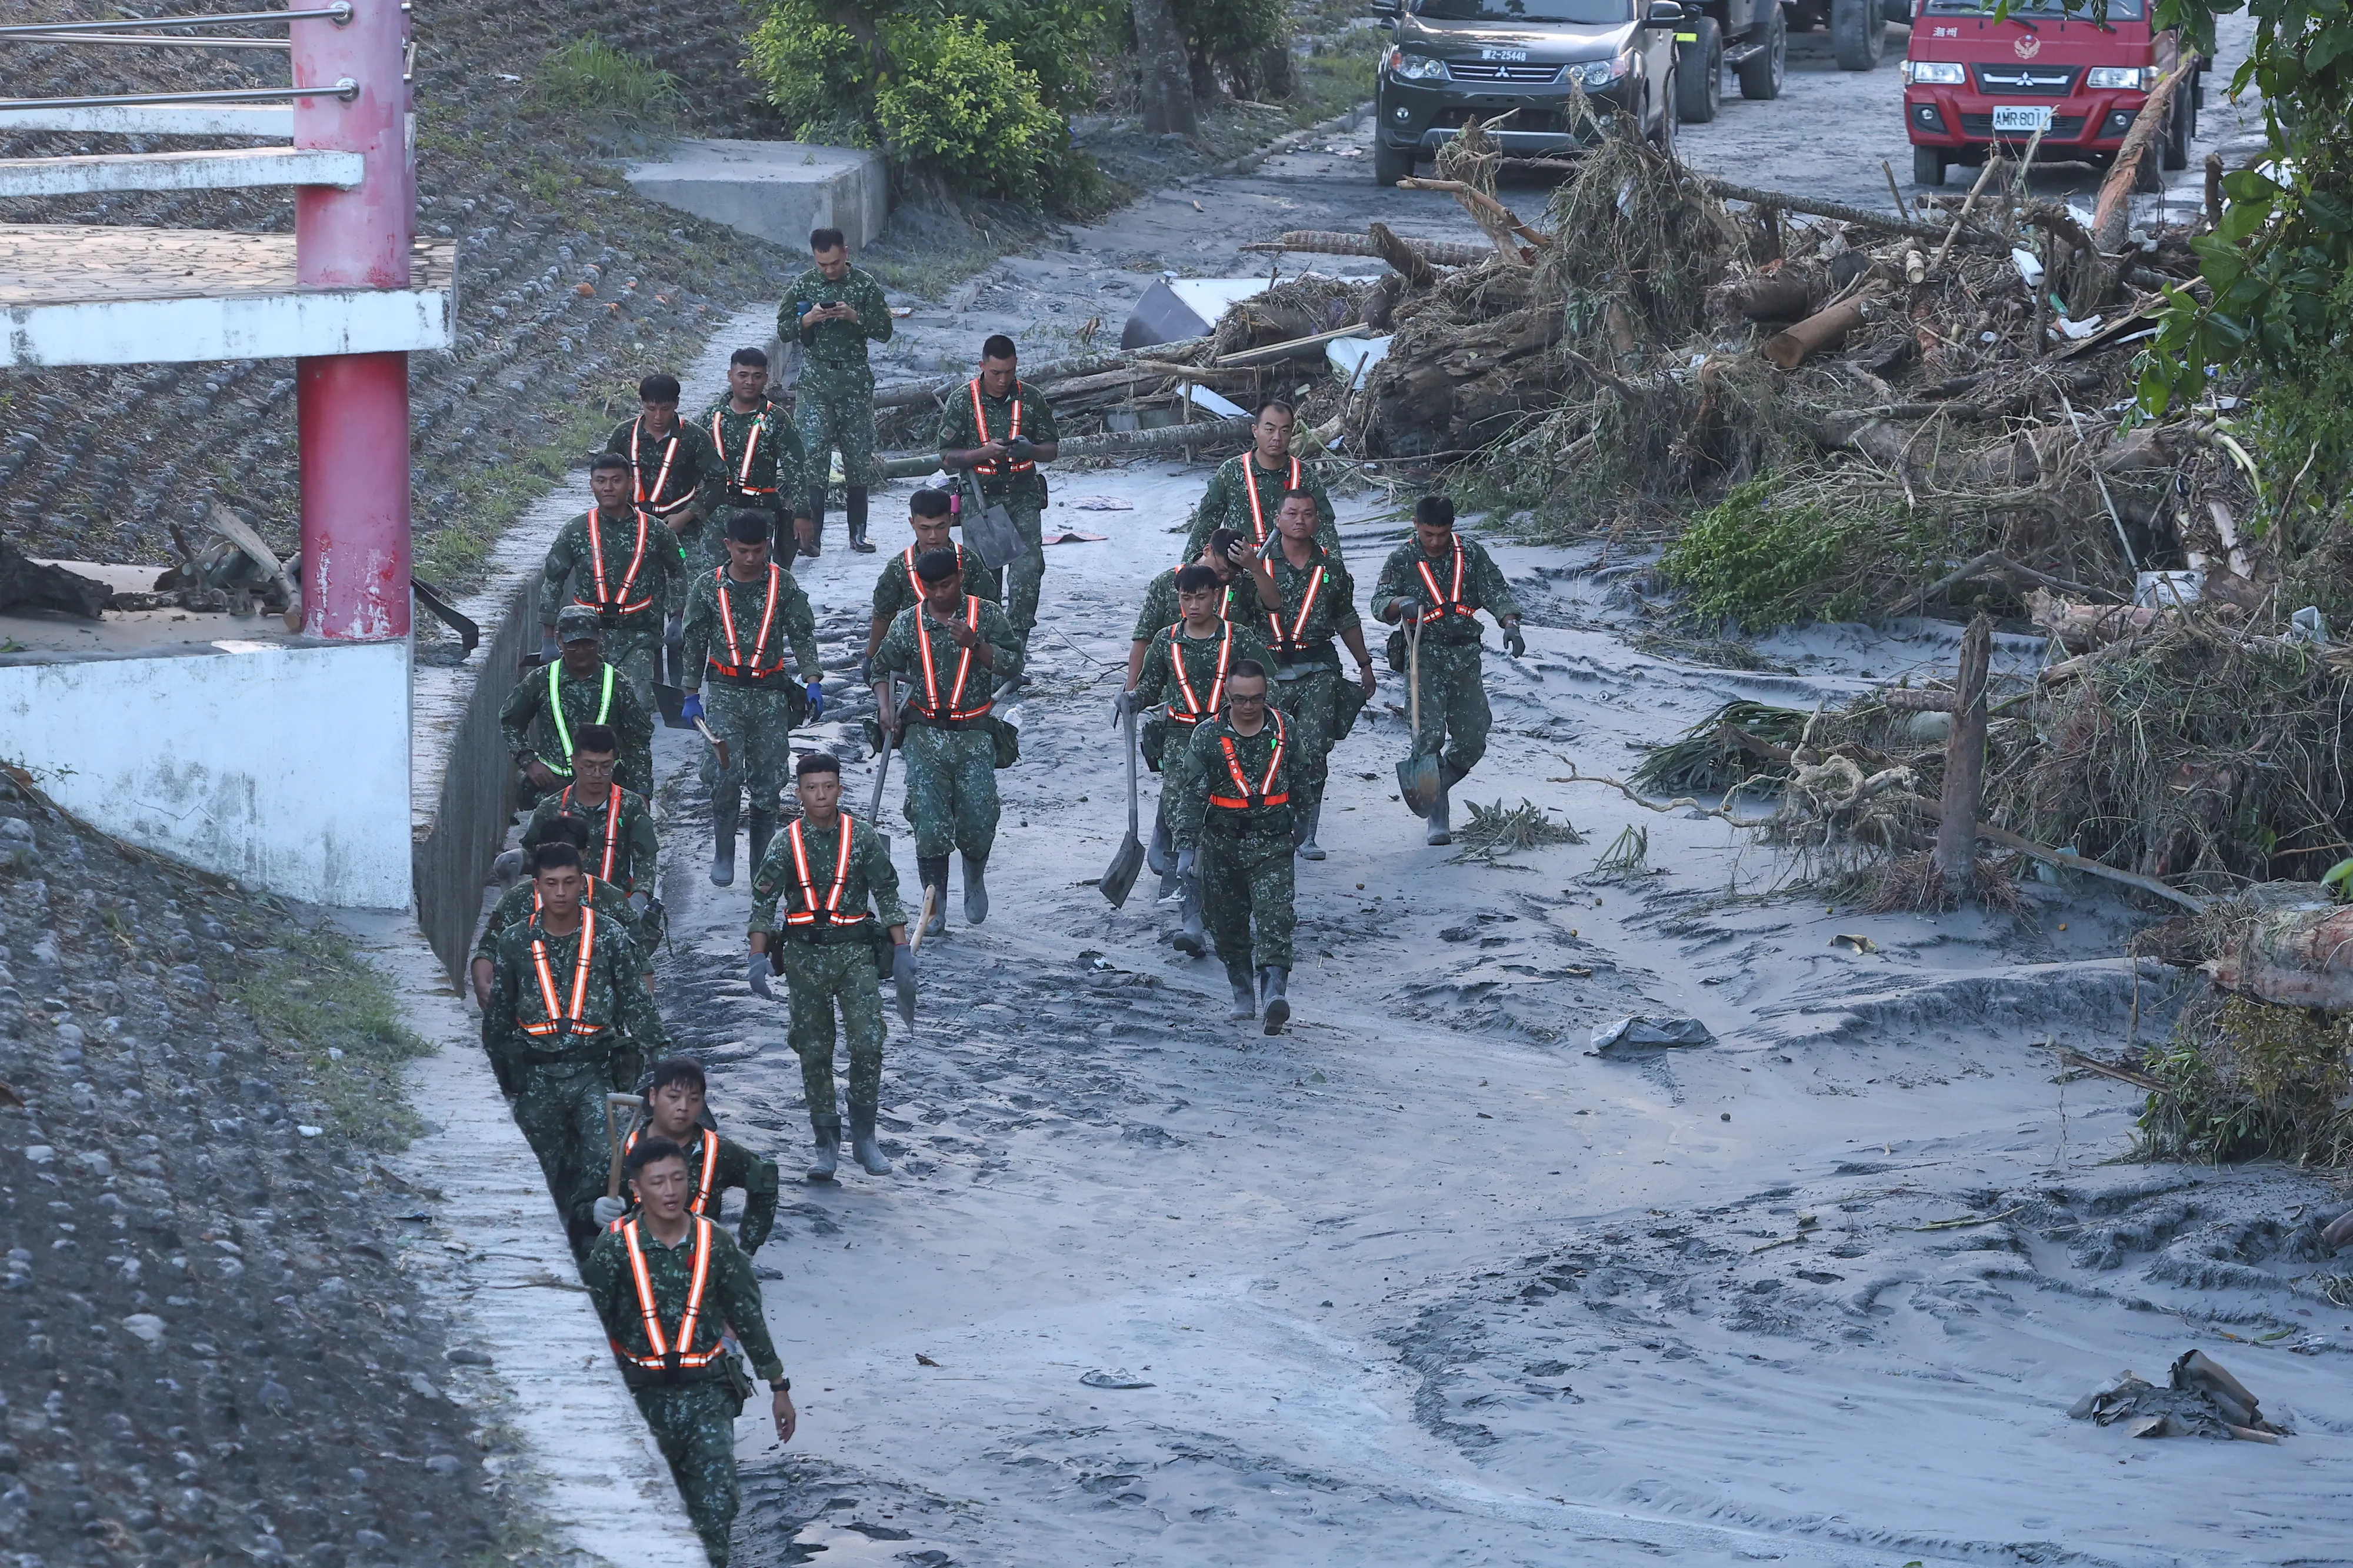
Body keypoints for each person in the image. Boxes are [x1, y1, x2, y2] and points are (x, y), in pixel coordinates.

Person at [582, 1135, 794, 1566]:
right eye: (657, 1182)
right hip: (639, 1397)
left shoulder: (715, 1243)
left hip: (708, 1396)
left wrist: (778, 1385)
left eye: (678, 1178)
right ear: (637, 1191)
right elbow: (589, 1325)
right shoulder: (615, 1247)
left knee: (715, 1509)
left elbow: (748, 1316)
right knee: (640, 1510)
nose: (671, 1191)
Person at [484, 841, 672, 1255]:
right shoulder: (516, 942)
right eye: (551, 884)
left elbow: (637, 1005)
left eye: (570, 882)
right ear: (538, 887)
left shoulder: (610, 936)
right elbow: (498, 1018)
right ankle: (535, 1248)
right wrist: (496, 1080)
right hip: (537, 1074)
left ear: (582, 884)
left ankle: (596, 1246)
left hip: (594, 1071)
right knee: (531, 1166)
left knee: (610, 1160)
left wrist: (665, 1063)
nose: (561, 893)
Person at [747, 753, 910, 1180]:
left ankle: (865, 1137)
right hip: (803, 957)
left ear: (840, 789)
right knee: (814, 1051)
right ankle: (827, 1144)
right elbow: (763, 904)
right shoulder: (785, 843)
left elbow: (888, 893)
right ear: (799, 793)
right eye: (811, 788)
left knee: (869, 1041)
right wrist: (756, 957)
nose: (821, 795)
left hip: (855, 953)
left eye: (828, 786)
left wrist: (903, 950)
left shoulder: (862, 838)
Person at [872, 548, 1022, 936]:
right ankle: (934, 901)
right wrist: (885, 709)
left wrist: (978, 645)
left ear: (959, 578)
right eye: (932, 588)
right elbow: (881, 667)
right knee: (928, 820)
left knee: (977, 817)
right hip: (924, 733)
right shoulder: (908, 623)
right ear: (922, 586)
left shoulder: (985, 615)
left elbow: (1013, 664)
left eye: (948, 584)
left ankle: (974, 876)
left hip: (974, 732)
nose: (941, 594)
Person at [679, 510, 824, 886]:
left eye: (758, 550)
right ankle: (724, 852)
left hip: (770, 694)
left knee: (769, 779)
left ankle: (760, 860)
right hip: (725, 692)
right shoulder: (707, 588)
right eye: (742, 550)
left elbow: (802, 634)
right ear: (728, 546)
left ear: (768, 547)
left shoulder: (783, 584)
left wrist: (812, 680)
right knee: (724, 775)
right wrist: (691, 693)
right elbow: (693, 643)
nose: (750, 558)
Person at [1372, 494, 1525, 845]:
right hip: (1422, 655)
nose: (1436, 542)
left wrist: (1510, 623)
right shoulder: (1401, 558)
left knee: (1474, 735)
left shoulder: (1470, 554)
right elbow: (1379, 603)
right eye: (1428, 534)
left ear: (1452, 528)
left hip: (1466, 656)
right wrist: (1400, 604)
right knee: (1426, 736)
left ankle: (1436, 787)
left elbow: (1496, 591)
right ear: (1416, 526)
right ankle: (1437, 816)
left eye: (1442, 534)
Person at [1120, 564, 1274, 903]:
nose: (1193, 605)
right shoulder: (1166, 640)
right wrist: (1133, 698)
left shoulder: (1239, 637)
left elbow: (1268, 680)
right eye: (1186, 598)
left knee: (1229, 805)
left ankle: (1225, 871)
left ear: (1216, 597)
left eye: (1201, 597)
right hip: (1180, 733)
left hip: (1230, 734)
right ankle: (1183, 873)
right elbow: (1150, 686)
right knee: (1181, 801)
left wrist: (1257, 710)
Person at [1165, 661, 1299, 1033]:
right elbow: (1190, 795)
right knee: (1227, 925)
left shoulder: (1285, 728)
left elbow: (1305, 775)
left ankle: (1274, 994)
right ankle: (1243, 994)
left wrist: (1303, 825)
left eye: (1257, 699)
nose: (1249, 706)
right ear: (1227, 697)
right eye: (1240, 699)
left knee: (1276, 918)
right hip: (1222, 844)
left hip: (1272, 841)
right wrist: (1186, 846)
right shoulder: (1207, 737)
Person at [1260, 489, 1379, 860]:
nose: (1300, 521)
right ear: (1276, 520)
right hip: (1267, 673)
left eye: (1308, 514)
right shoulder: (1256, 567)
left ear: (1317, 521)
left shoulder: (1332, 569)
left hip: (1320, 670)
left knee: (1312, 751)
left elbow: (1346, 618)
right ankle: (1268, 826)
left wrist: (1364, 664)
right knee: (1265, 751)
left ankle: (1307, 833)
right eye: (1292, 513)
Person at [938, 333, 1058, 672]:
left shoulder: (1030, 398)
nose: (1003, 380)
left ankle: (1014, 653)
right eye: (995, 373)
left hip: (1022, 497)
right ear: (982, 367)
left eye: (1009, 372)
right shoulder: (963, 401)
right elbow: (946, 456)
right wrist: (982, 453)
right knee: (983, 579)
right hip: (981, 499)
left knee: (1027, 572)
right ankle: (984, 652)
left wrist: (1030, 450)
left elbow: (1052, 448)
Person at [538, 452, 689, 711]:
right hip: (585, 638)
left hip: (637, 635)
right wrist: (548, 638)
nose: (608, 487)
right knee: (588, 711)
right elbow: (553, 581)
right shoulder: (575, 531)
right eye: (601, 481)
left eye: (616, 480)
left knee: (636, 707)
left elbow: (677, 569)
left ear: (631, 483)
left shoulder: (655, 531)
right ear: (592, 485)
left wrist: (677, 617)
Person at [471, 816, 650, 1029]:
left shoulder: (611, 900)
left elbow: (639, 964)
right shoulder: (515, 901)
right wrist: (482, 984)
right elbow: (490, 948)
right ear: (538, 851)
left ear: (584, 855)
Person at [589, 1057, 779, 1255]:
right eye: (673, 1097)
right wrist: (593, 1212)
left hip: (700, 1267)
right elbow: (578, 1209)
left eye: (694, 1099)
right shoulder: (623, 1153)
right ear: (653, 1097)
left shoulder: (718, 1152)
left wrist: (748, 1247)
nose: (683, 1107)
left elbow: (766, 1180)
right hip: (635, 1266)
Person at [784, 226, 892, 556]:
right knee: (812, 455)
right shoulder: (803, 284)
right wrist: (808, 320)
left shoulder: (864, 285)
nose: (829, 270)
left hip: (854, 383)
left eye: (833, 262)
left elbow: (885, 331)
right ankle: (812, 538)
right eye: (822, 265)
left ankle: (857, 534)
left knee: (858, 456)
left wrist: (853, 316)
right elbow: (783, 329)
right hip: (816, 382)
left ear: (846, 252)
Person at [499, 604, 656, 798]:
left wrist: (642, 792)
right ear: (558, 639)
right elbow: (511, 723)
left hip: (607, 791)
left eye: (588, 643)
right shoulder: (540, 681)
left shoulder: (618, 684)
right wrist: (529, 761)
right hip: (553, 793)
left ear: (599, 637)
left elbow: (638, 742)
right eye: (572, 644)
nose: (581, 651)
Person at [520, 724, 659, 906]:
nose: (597, 775)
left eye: (606, 767)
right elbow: (532, 852)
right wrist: (518, 859)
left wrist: (640, 898)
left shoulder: (631, 806)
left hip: (614, 908)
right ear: (575, 761)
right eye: (589, 766)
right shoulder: (550, 809)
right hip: (561, 910)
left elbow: (645, 859)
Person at [865, 488, 996, 679]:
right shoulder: (899, 567)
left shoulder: (969, 562)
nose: (933, 536)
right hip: (919, 657)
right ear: (912, 523)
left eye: (940, 527)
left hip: (966, 655)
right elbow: (883, 615)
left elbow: (991, 610)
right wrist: (871, 656)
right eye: (925, 528)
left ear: (952, 520)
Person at [1125, 528, 1278, 693]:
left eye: (1233, 573)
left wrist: (1255, 568)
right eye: (1222, 570)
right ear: (1207, 551)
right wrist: (1131, 689)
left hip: (1229, 694)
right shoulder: (1166, 583)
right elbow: (1143, 637)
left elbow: (1274, 604)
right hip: (1177, 692)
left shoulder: (1242, 584)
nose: (1226, 578)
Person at [1184, 400, 1342, 560]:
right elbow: (1206, 525)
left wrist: (1335, 569)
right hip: (1243, 572)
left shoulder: (1304, 475)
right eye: (1269, 430)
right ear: (1255, 430)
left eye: (1284, 431)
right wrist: (1189, 569)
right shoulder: (1231, 472)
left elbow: (1325, 527)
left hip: (1294, 571)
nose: (1277, 438)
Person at [700, 347, 811, 570]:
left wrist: (802, 514)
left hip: (759, 513)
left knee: (755, 577)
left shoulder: (777, 419)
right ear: (730, 376)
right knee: (712, 580)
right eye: (743, 375)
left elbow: (795, 469)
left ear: (766, 379)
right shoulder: (711, 417)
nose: (750, 382)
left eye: (757, 376)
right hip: (716, 515)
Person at [606, 372, 720, 564]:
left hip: (680, 530)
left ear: (676, 403)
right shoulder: (624, 434)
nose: (658, 417)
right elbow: (605, 477)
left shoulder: (694, 437)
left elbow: (717, 481)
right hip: (630, 527)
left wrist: (685, 516)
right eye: (651, 409)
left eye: (665, 409)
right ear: (642, 403)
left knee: (685, 584)